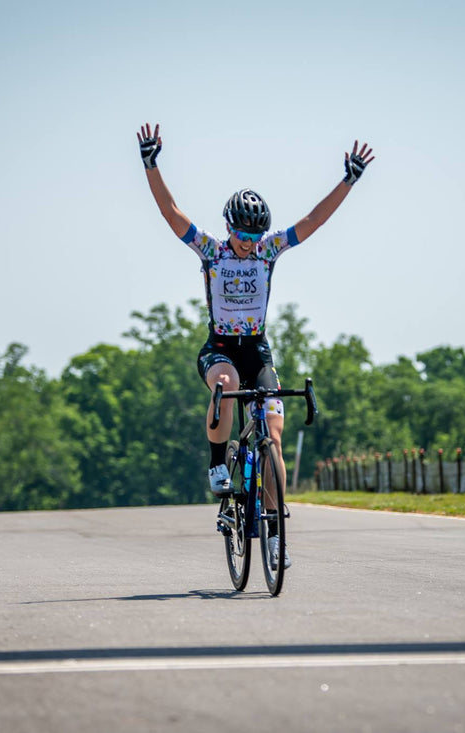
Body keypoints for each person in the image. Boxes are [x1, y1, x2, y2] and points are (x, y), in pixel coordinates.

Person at [137, 123, 373, 569]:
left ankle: (277, 532)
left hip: (258, 349)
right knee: (225, 383)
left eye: (253, 237)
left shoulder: (268, 252)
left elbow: (313, 221)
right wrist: (151, 164)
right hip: (220, 348)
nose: (246, 245)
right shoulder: (212, 251)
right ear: (229, 229)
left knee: (274, 438)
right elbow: (171, 213)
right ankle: (216, 465)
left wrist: (349, 179)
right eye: (241, 236)